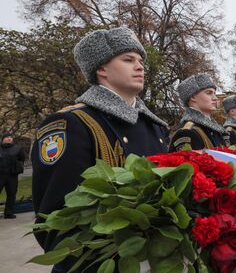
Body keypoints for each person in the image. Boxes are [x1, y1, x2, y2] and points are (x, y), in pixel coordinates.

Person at [31, 27, 169, 272]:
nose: (139, 66)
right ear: (101, 69)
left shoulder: (155, 127)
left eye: (140, 61)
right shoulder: (71, 124)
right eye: (128, 59)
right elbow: (56, 222)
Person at [169, 73, 227, 151]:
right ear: (193, 97)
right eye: (209, 93)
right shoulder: (187, 132)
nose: (215, 98)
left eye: (214, 93)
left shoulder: (215, 129)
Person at [0, 133, 25, 219]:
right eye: (7, 137)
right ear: (3, 139)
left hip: (12, 175)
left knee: (11, 194)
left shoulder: (17, 148)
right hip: (1, 174)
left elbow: (22, 158)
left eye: (11, 137)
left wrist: (18, 166)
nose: (10, 138)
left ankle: (9, 213)